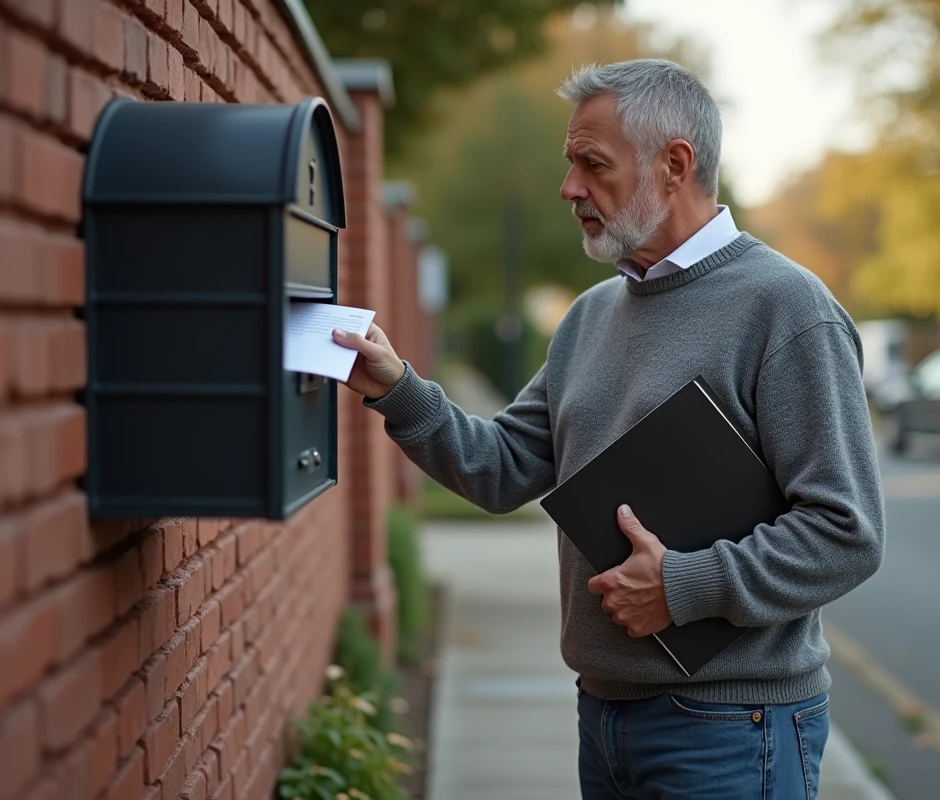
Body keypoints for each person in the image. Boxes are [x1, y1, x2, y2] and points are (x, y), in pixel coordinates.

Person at [333, 59, 885, 800]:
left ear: (674, 165)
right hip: (605, 717)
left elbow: (846, 533)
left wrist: (684, 586)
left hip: (733, 731)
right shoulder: (591, 317)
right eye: (571, 166)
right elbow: (501, 469)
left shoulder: (786, 310)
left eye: (593, 165)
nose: (570, 189)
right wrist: (398, 390)